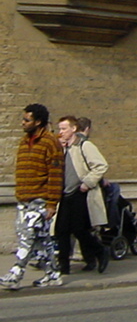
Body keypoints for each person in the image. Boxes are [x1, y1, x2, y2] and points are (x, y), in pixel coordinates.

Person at [1, 104, 65, 289]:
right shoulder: (24, 142)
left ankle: (16, 273)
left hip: (40, 199)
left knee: (27, 237)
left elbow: (55, 175)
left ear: (38, 122)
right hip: (24, 199)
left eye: (26, 120)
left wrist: (52, 203)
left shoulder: (50, 143)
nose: (23, 123)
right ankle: (52, 273)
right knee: (41, 239)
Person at [53, 116, 108, 277]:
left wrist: (87, 183)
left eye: (64, 129)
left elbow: (101, 165)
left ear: (74, 129)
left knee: (79, 229)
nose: (60, 132)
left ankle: (99, 251)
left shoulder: (84, 145)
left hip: (80, 193)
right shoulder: (62, 148)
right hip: (64, 194)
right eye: (60, 129)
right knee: (61, 230)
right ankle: (63, 267)